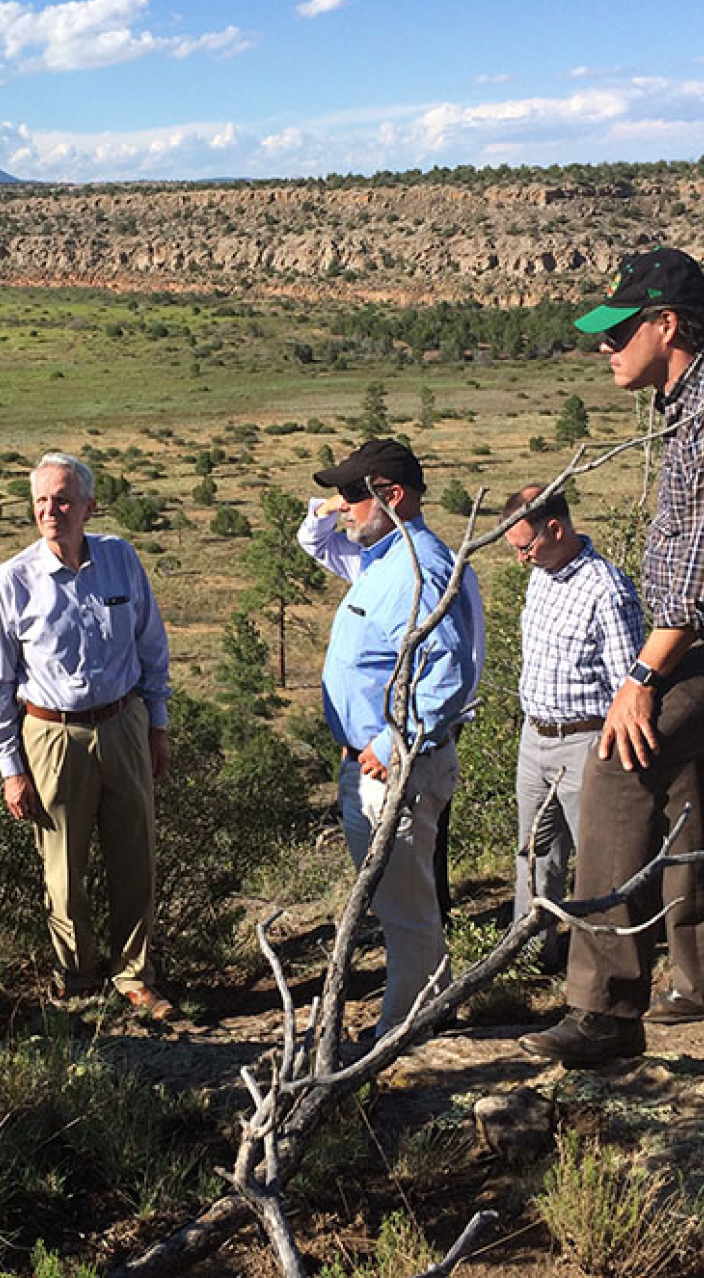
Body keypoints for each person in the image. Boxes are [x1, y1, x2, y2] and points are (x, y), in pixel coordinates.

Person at [521, 247, 704, 1068]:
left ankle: (603, 1011)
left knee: (618, 765)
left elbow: (700, 571)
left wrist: (642, 678)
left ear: (667, 325)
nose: (604, 345)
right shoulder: (698, 394)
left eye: (619, 329)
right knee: (683, 778)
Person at [0, 453, 174, 1017]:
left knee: (136, 859)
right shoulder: (14, 579)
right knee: (63, 872)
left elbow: (151, 648)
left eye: (62, 499)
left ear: (89, 505)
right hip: (51, 735)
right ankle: (76, 977)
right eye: (40, 500)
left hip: (124, 723)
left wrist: (156, 725)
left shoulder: (120, 559)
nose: (49, 511)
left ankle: (135, 976)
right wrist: (11, 768)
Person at [298, 438, 478, 1040]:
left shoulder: (419, 569)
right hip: (378, 764)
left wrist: (392, 742)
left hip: (393, 767)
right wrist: (330, 511)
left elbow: (452, 670)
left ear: (392, 496)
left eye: (353, 495)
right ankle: (435, 1002)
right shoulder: (384, 558)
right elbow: (318, 540)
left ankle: (400, 1034)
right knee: (408, 901)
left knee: (403, 912)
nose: (342, 506)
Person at [502, 485, 643, 972]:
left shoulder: (607, 589)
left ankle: (605, 967)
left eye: (526, 546)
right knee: (534, 855)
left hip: (587, 741)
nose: (521, 559)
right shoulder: (542, 575)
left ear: (555, 529)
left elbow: (630, 682)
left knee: (600, 860)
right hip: (534, 737)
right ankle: (529, 959)